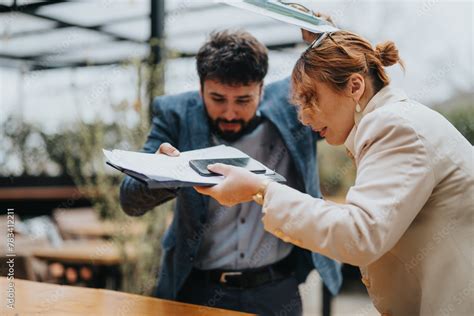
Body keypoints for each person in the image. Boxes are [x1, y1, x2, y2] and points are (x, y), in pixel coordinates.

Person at [195, 30, 474, 315]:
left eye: (310, 98)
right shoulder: (396, 120)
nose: (303, 117)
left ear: (355, 87)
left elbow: (360, 233)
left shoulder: (394, 127)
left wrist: (262, 190)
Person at [119, 30, 342, 315]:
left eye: (243, 101)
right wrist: (165, 173)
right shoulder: (175, 114)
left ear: (262, 90)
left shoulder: (293, 105)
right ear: (200, 90)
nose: (229, 113)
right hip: (198, 288)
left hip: (277, 288)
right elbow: (129, 198)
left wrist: (329, 38)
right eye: (217, 98)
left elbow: (349, 87)